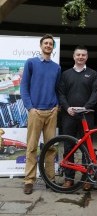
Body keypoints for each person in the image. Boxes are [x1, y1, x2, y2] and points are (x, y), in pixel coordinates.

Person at [20, 34, 61, 195]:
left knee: (51, 148)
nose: (48, 45)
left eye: (51, 44)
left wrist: (57, 105)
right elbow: (24, 87)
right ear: (41, 45)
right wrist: (30, 108)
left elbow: (57, 88)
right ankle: (29, 180)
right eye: (46, 43)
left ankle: (50, 179)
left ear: (53, 47)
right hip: (35, 112)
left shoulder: (56, 67)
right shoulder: (31, 63)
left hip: (51, 112)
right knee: (32, 147)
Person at [57, 45, 97, 191]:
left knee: (87, 148)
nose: (81, 57)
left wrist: (85, 107)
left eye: (83, 55)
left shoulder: (93, 74)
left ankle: (87, 178)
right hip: (69, 115)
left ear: (86, 57)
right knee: (69, 146)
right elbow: (61, 93)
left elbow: (96, 93)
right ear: (74, 57)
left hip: (86, 115)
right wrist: (67, 107)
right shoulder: (66, 74)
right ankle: (69, 178)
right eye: (78, 55)